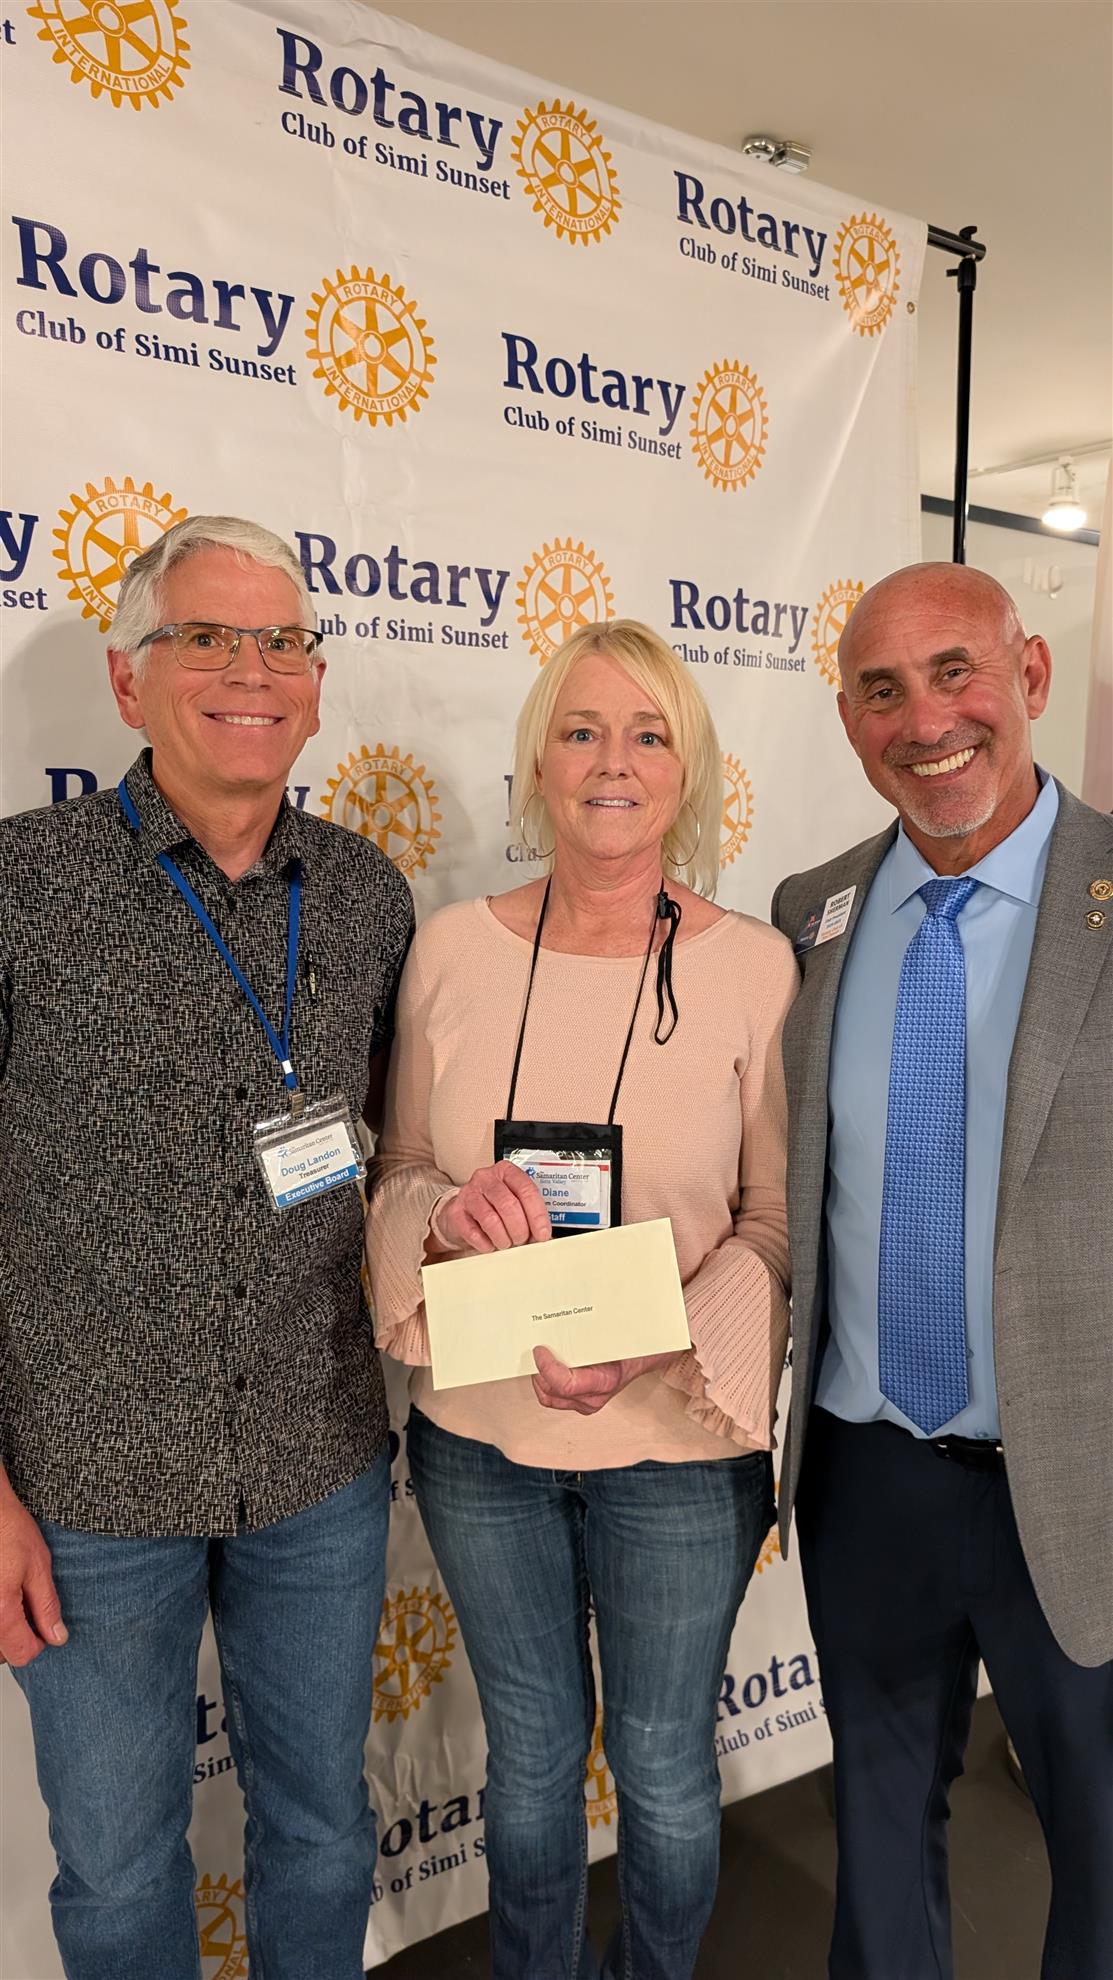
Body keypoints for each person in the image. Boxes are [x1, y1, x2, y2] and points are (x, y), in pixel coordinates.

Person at [0, 516, 413, 1980]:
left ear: (316, 682)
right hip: (88, 1488)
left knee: (321, 1829)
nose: (253, 670)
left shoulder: (366, 894)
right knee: (118, 1870)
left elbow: (401, 1158)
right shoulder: (23, 888)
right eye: (208, 638)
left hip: (318, 1462)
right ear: (129, 681)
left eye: (282, 641)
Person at [366, 618, 796, 1980]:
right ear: (539, 763)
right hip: (481, 1445)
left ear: (688, 770)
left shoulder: (755, 966)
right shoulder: (449, 951)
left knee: (664, 1770)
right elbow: (400, 1169)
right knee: (534, 1761)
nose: (615, 761)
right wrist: (447, 1217)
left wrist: (657, 1345)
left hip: (678, 1447)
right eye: (582, 730)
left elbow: (771, 1227)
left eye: (648, 733)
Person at [771, 562, 1113, 1980]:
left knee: (1101, 1851)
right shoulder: (808, 913)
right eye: (881, 690)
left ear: (1028, 677)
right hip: (868, 1473)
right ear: (849, 720)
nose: (924, 720)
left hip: (1081, 1476)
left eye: (955, 671)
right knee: (875, 1831)